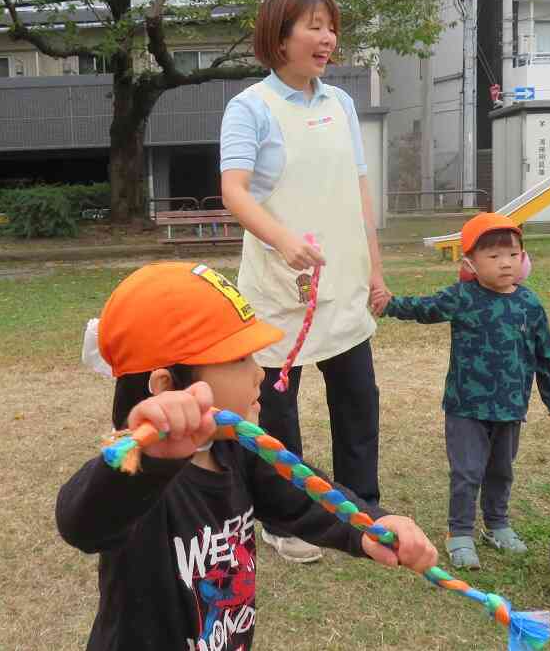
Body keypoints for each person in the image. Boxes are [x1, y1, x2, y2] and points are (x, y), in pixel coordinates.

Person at [57, 262, 438, 651]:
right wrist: (152, 460)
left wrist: (369, 525)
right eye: (239, 359)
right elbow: (83, 523)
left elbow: (303, 499)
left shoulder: (237, 450)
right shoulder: (138, 486)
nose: (259, 374)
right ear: (168, 386)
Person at [220, 0, 388, 563]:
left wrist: (375, 268)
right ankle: (285, 518)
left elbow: (357, 191)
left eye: (331, 27)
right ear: (279, 36)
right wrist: (283, 238)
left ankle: (360, 503)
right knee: (278, 411)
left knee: (358, 400)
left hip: (341, 283)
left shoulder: (340, 103)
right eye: (314, 26)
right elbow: (233, 191)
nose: (327, 38)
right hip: (280, 286)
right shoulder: (251, 107)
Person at [375, 212, 550, 570]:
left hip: (510, 407)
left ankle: (497, 525)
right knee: (467, 471)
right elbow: (425, 308)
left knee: (501, 470)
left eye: (512, 254)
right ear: (470, 263)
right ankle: (459, 533)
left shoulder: (529, 304)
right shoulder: (463, 297)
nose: (504, 263)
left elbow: (545, 352)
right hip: (466, 405)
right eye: (493, 257)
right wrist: (389, 304)